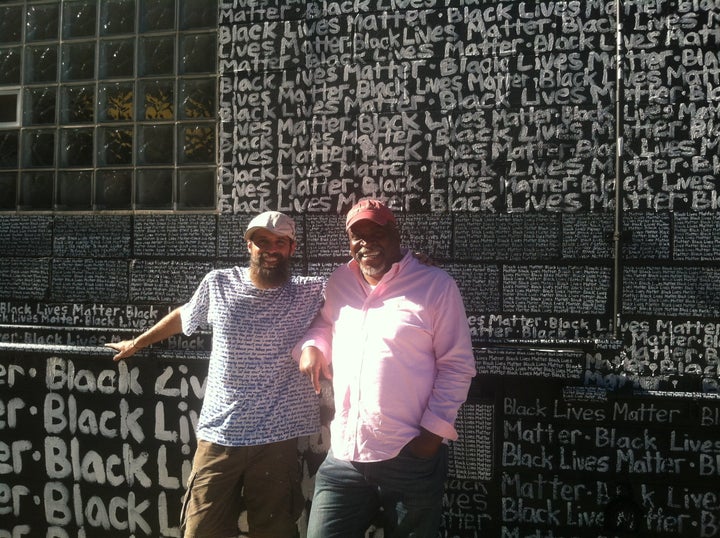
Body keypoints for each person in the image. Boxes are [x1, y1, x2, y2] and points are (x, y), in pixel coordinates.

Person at [105, 211, 325, 538]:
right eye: (262, 241)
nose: (271, 249)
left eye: (281, 242)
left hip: (276, 439)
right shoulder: (219, 283)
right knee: (200, 528)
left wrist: (414, 264)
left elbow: (362, 287)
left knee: (275, 529)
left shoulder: (310, 290)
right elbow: (185, 316)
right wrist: (138, 342)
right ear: (248, 245)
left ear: (292, 248)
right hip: (220, 434)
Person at [296, 198, 477, 538]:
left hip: (409, 454)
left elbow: (457, 365)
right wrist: (313, 346)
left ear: (394, 233)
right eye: (357, 234)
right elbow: (325, 323)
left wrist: (429, 438)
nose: (365, 242)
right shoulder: (340, 282)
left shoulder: (435, 286)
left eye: (375, 231)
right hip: (345, 455)